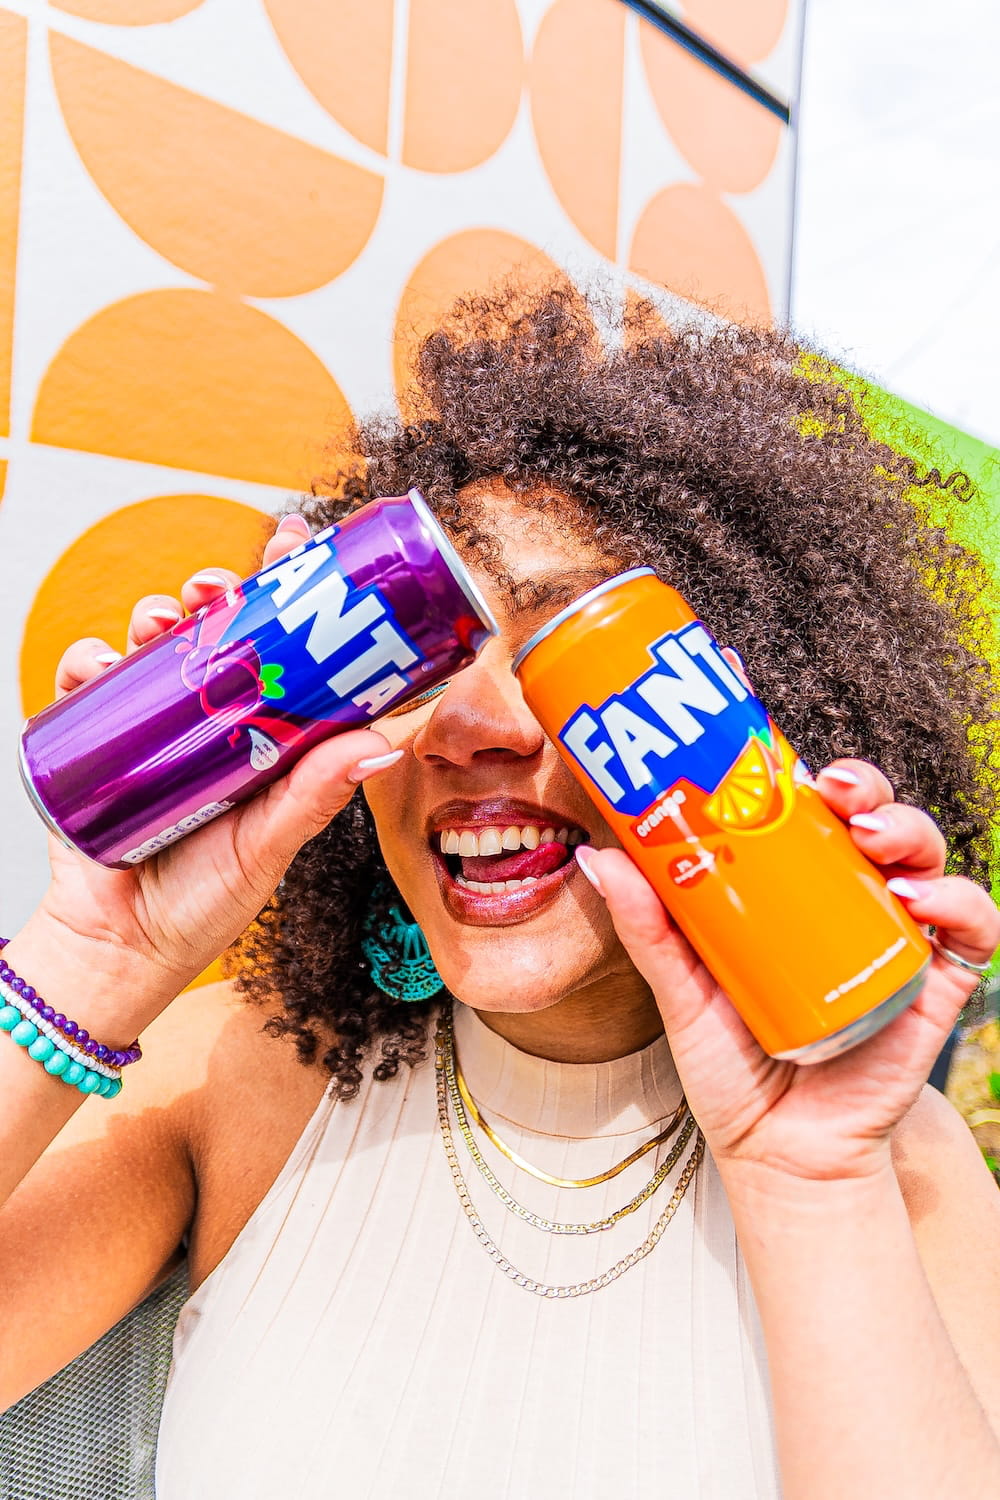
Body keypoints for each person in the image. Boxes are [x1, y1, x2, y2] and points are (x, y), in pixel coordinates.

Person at [2, 285, 1000, 1499]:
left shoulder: (890, 1170)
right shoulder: (238, 1077)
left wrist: (812, 1184)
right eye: (415, 659)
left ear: (755, 709)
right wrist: (94, 959)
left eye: (563, 647)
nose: (467, 728)